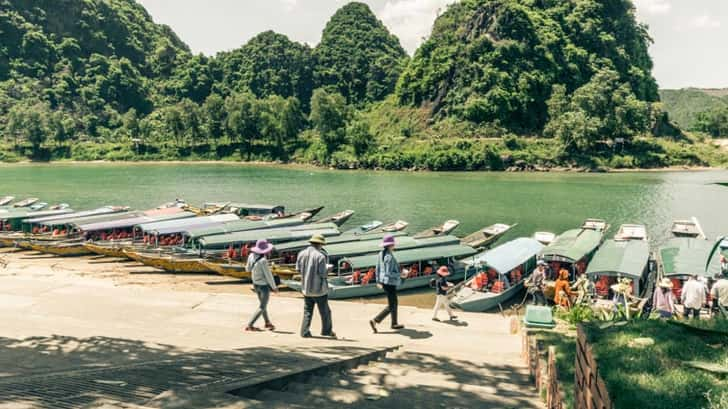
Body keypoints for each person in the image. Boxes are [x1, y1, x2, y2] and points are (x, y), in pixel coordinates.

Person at [297, 234, 335, 338]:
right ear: (320, 244)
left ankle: (304, 331)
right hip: (319, 289)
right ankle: (326, 331)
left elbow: (298, 269)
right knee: (325, 312)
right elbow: (322, 274)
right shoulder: (320, 256)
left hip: (306, 288)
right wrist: (329, 269)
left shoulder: (301, 254)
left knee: (308, 311)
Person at [369, 234, 405, 333]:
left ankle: (394, 323)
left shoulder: (381, 253)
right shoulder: (389, 256)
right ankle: (375, 320)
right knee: (392, 305)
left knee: (394, 302)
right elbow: (389, 273)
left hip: (384, 282)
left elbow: (377, 268)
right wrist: (400, 274)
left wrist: (378, 281)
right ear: (391, 245)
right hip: (389, 283)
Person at [244, 239, 278, 332]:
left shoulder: (251, 256)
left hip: (255, 284)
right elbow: (269, 276)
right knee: (262, 306)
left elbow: (247, 269)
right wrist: (274, 287)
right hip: (263, 286)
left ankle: (267, 322)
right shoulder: (263, 260)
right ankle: (250, 325)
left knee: (262, 305)